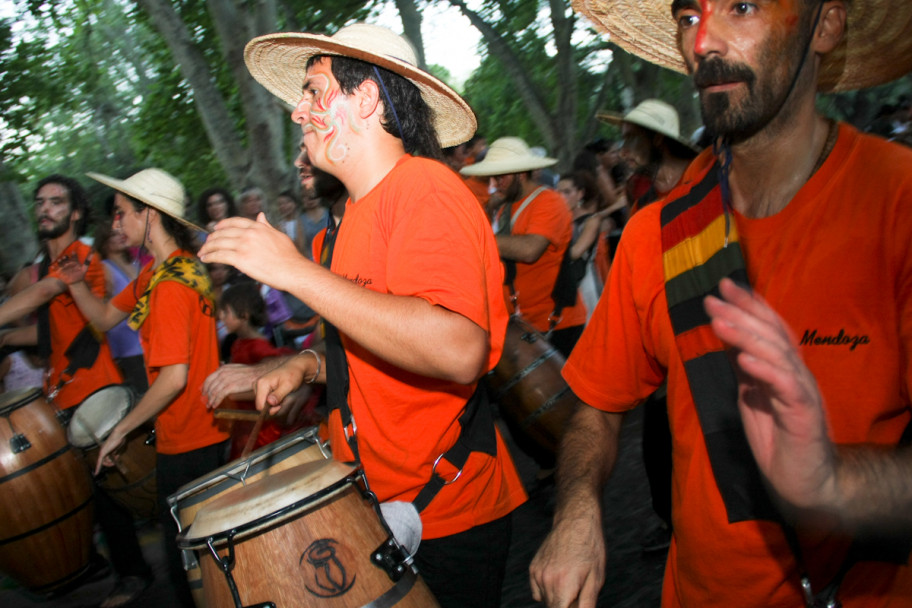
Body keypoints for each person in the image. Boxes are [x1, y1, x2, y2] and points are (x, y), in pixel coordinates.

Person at [530, 1, 912, 607]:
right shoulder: (656, 235)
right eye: (688, 16)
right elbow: (596, 410)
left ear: (826, 25)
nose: (704, 39)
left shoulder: (897, 205)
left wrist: (830, 483)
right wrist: (575, 513)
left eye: (743, 6)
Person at [199, 23, 526, 608]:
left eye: (314, 90)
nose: (298, 113)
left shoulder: (425, 189)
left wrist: (295, 272)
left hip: (444, 514)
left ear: (368, 99)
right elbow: (370, 342)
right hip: (374, 501)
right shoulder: (348, 219)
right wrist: (302, 366)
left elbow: (458, 350)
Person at [55, 168, 230, 608]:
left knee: (190, 572)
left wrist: (119, 431)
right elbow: (103, 320)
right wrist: (76, 282)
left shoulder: (168, 286)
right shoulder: (171, 271)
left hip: (189, 439)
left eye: (121, 214)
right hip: (204, 431)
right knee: (207, 563)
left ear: (149, 215)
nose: (115, 224)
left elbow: (174, 378)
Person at [0, 174, 152, 608]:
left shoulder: (80, 257)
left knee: (108, 490)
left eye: (56, 201)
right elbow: (52, 333)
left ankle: (134, 573)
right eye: (40, 202)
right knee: (78, 488)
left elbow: (41, 295)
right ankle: (90, 565)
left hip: (95, 390)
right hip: (60, 394)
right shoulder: (47, 264)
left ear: (76, 212)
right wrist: (9, 339)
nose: (46, 208)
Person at [462, 137, 587, 358]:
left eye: (500, 177)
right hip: (526, 323)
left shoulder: (550, 202)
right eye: (493, 176)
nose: (494, 183)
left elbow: (530, 250)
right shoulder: (504, 206)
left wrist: (477, 237)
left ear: (520, 174)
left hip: (558, 323)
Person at [217, 281, 319, 458]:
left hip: (262, 430)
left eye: (226, 312)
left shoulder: (259, 348)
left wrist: (230, 391)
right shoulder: (239, 343)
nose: (221, 317)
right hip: (247, 426)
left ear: (244, 314)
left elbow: (270, 386)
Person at [598, 98, 698, 214]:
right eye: (624, 139)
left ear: (657, 138)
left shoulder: (702, 173)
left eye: (631, 138)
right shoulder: (636, 187)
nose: (622, 152)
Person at [94, 220, 148, 395]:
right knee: (143, 390)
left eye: (121, 232)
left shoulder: (134, 263)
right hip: (127, 342)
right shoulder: (104, 268)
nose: (120, 237)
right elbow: (102, 306)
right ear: (104, 241)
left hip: (147, 337)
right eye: (114, 235)